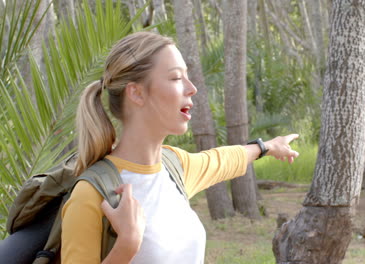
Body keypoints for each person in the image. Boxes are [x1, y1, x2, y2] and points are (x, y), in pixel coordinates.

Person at [62, 31, 299, 264]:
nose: (191, 87)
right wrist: (127, 245)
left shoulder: (174, 166)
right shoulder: (91, 195)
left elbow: (222, 160)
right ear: (136, 92)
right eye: (176, 78)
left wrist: (267, 146)